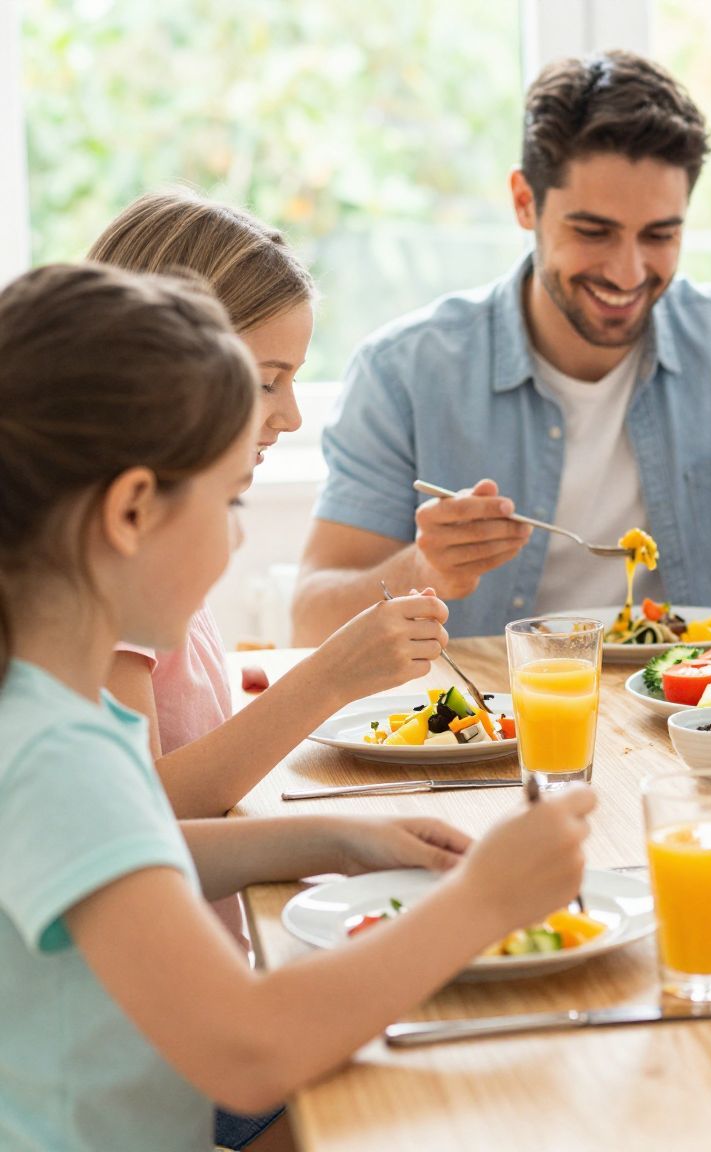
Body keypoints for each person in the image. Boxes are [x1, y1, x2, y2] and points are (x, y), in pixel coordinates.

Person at [0, 264, 596, 1149]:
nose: (238, 534)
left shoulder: (53, 719)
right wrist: (482, 900)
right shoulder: (54, 756)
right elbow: (250, 1048)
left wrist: (337, 839)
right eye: (229, 499)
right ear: (130, 511)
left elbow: (133, 857)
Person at [292, 50, 711, 642]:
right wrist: (423, 572)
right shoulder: (404, 371)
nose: (628, 272)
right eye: (593, 231)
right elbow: (312, 616)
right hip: (488, 726)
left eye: (660, 234)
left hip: (690, 725)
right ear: (525, 201)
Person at [91, 189, 451, 818]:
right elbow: (143, 821)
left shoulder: (148, 532)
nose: (291, 415)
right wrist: (329, 677)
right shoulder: (114, 563)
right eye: (265, 382)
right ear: (161, 371)